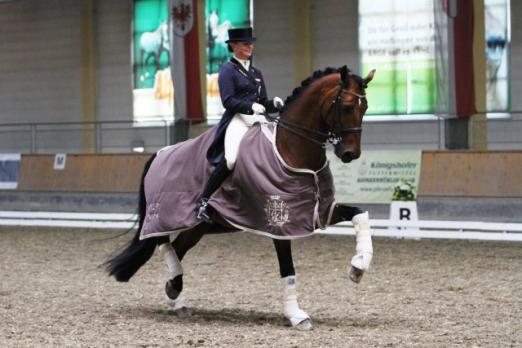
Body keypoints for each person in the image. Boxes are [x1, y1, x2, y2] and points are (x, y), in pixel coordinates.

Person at [195, 27, 284, 222]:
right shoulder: (227, 70)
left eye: (251, 43)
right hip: (237, 119)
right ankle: (204, 201)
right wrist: (251, 106)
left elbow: (263, 101)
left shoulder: (256, 72)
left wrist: (273, 104)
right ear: (233, 46)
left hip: (258, 119)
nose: (249, 46)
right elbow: (228, 101)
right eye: (245, 44)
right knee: (231, 159)